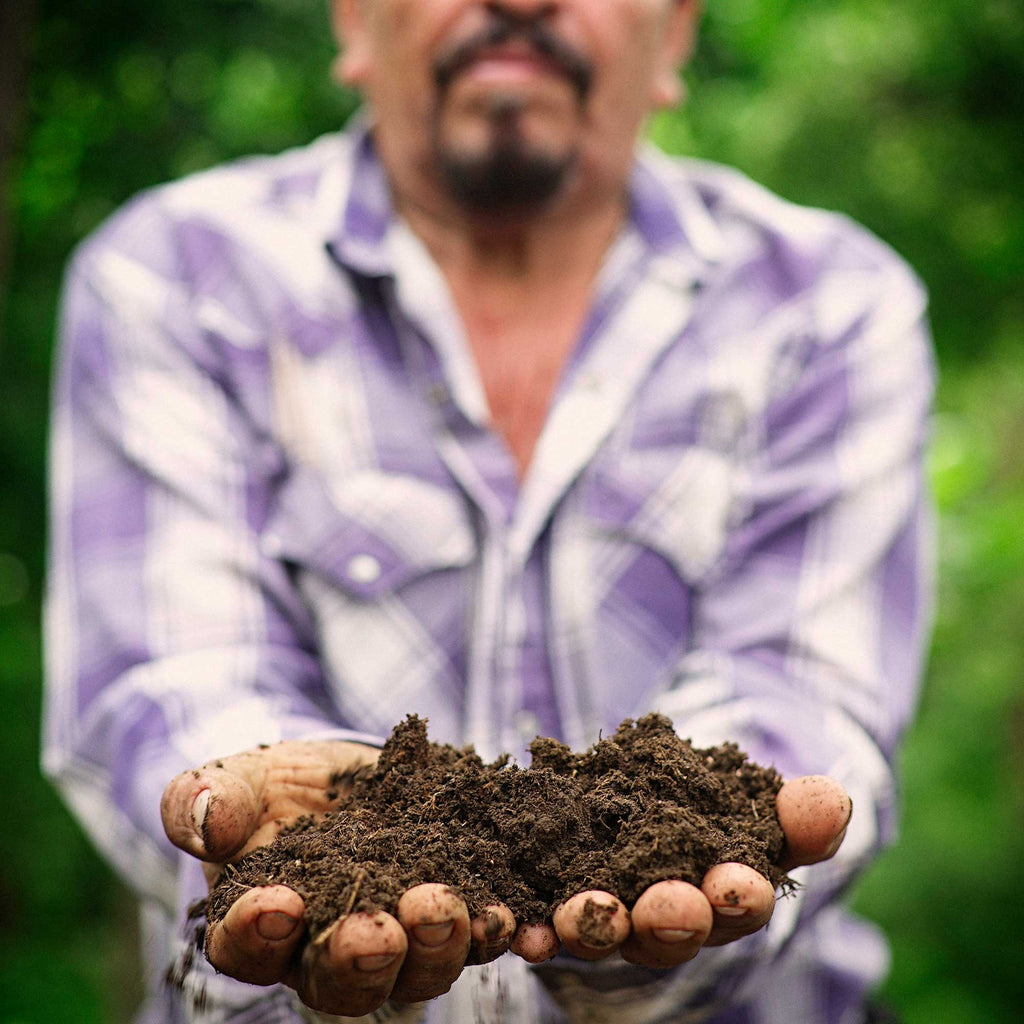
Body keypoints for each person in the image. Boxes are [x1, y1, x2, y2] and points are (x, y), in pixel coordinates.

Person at [44, 1, 935, 1022]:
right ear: (351, 21)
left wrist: (674, 866)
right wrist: (298, 846)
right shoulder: (179, 277)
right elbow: (183, 673)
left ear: (674, 34)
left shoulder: (825, 307)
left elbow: (800, 699)